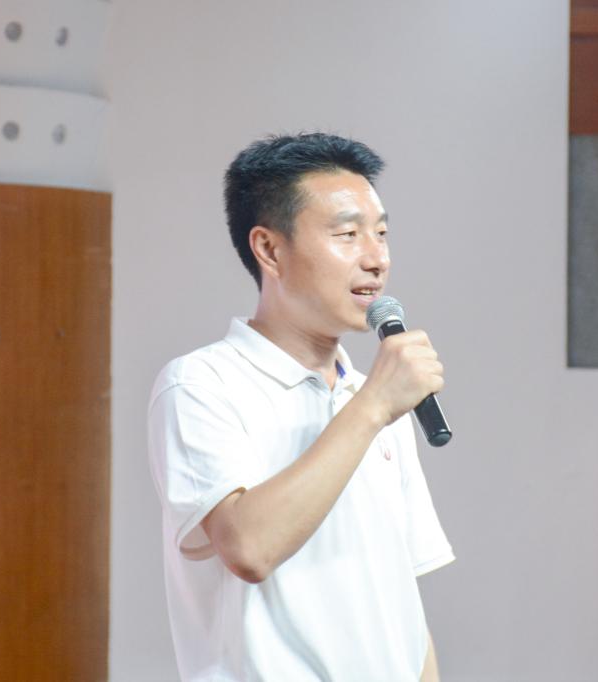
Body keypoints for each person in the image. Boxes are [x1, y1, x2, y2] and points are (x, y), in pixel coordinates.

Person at [148, 132, 455, 681]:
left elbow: (402, 604)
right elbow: (249, 549)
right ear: (270, 250)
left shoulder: (373, 398)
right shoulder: (201, 384)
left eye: (382, 233)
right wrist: (372, 407)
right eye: (348, 234)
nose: (376, 259)